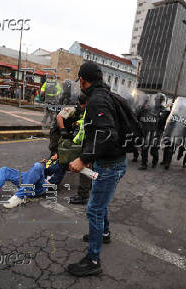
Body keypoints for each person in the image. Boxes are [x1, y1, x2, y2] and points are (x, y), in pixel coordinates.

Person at [67, 61, 127, 277]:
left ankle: (93, 260)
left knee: (94, 209)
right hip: (114, 162)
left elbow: (107, 134)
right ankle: (104, 233)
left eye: (79, 81)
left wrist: (83, 159)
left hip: (110, 164)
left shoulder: (96, 100)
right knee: (100, 201)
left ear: (83, 81)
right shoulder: (107, 95)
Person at [0, 154, 65, 208]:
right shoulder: (50, 160)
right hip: (29, 180)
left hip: (41, 186)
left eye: (57, 153)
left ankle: (20, 196)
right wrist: (43, 163)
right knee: (4, 170)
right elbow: (36, 171)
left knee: (37, 166)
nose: (54, 155)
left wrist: (40, 169)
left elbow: (52, 185)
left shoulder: (61, 166)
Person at [136, 94, 169, 170]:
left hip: (157, 132)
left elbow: (163, 121)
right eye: (156, 100)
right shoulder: (150, 107)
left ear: (162, 101)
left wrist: (158, 116)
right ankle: (144, 164)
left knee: (154, 149)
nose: (157, 101)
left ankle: (155, 161)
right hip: (148, 130)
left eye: (159, 100)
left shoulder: (164, 110)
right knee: (144, 147)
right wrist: (142, 108)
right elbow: (141, 114)